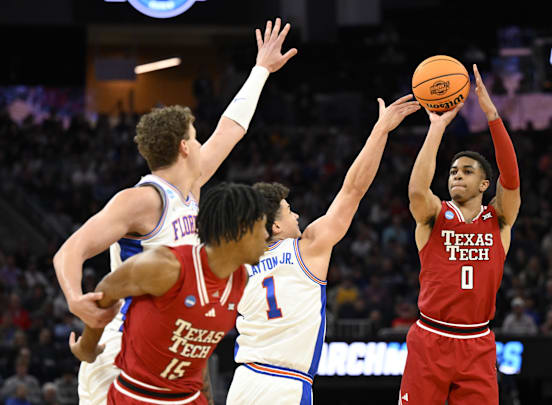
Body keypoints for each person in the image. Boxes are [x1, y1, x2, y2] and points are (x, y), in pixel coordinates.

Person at [52, 18, 296, 405]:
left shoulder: (191, 187)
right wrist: (73, 297)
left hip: (172, 348)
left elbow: (231, 129)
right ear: (184, 146)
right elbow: (70, 250)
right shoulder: (143, 200)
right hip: (123, 354)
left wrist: (260, 71)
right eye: (197, 137)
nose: (203, 142)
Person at [226, 95, 420, 404]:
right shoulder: (307, 248)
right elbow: (353, 190)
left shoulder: (238, 266)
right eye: (289, 211)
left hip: (243, 382)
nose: (298, 215)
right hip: (284, 383)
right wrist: (380, 130)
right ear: (275, 227)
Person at [69, 183, 268, 405]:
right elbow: (106, 289)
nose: (267, 236)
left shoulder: (239, 279)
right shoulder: (167, 266)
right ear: (241, 230)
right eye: (262, 227)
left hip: (189, 397)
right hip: (139, 395)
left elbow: (196, 348)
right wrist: (87, 347)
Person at [400, 64, 521, 404]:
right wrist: (436, 127)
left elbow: (511, 179)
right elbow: (416, 189)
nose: (456, 176)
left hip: (477, 342)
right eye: (453, 171)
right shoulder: (434, 216)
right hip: (430, 338)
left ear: (485, 184)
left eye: (467, 171)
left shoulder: (498, 220)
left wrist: (492, 116)